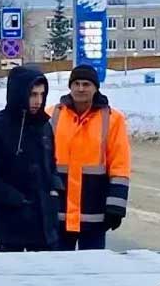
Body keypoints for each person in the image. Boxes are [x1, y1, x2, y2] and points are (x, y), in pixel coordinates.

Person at [0, 66, 60, 252]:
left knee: (46, 279)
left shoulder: (44, 126)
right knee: (12, 280)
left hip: (43, 228)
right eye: (32, 94)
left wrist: (55, 188)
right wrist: (14, 198)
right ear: (19, 93)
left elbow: (50, 165)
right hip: (10, 227)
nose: (38, 101)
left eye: (41, 95)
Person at [47, 65, 131, 250]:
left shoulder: (112, 119)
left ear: (95, 88)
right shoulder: (52, 115)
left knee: (93, 272)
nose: (81, 88)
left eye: (86, 84)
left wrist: (116, 206)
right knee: (57, 271)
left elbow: (120, 163)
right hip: (58, 212)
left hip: (95, 212)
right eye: (76, 83)